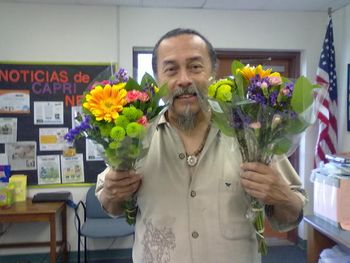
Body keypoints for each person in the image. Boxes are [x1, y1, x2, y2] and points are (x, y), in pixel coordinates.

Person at [95, 28, 307, 263]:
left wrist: (282, 196)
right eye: (171, 69)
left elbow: (293, 212)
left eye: (195, 67)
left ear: (212, 73)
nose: (184, 79)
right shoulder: (134, 137)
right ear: (157, 79)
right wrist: (113, 194)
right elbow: (111, 205)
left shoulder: (251, 134)